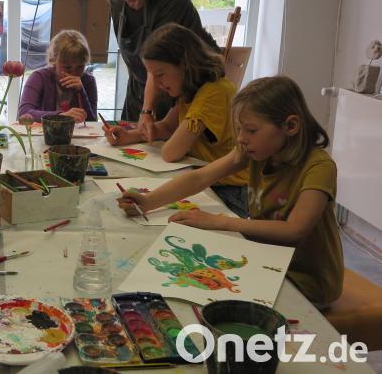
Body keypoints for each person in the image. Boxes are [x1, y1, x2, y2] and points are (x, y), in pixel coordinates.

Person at [118, 76, 343, 305]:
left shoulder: (318, 167)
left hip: (305, 281)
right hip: (266, 261)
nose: (242, 139)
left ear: (290, 126)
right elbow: (200, 177)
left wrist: (221, 222)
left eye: (251, 130)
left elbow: (294, 230)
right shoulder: (259, 150)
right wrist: (148, 201)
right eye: (239, 129)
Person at [104, 23, 248, 216]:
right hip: (207, 180)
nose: (155, 83)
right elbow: (167, 126)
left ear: (184, 65)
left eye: (160, 74)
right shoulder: (194, 89)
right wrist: (130, 136)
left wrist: (153, 133)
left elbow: (171, 152)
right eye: (152, 76)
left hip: (229, 190)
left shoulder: (213, 92)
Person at [102, 0, 219, 141]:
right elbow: (136, 62)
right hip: (139, 93)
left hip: (180, 100)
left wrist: (147, 111)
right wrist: (140, 116)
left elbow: (158, 64)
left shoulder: (171, 1)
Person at [18, 29, 97, 123]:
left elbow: (92, 120)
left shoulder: (88, 81)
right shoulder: (38, 77)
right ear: (53, 60)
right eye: (67, 67)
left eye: (80, 66)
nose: (74, 73)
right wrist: (60, 116)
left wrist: (81, 91)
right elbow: (24, 113)